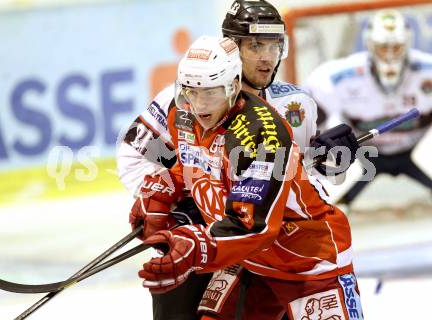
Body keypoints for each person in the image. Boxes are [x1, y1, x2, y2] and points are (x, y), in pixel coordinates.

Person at [117, 1, 359, 319]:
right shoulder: (186, 96)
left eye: (274, 46)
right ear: (232, 46)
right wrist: (179, 195)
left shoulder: (295, 103)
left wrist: (329, 160)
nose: (266, 57)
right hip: (214, 236)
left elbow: (297, 186)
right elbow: (140, 148)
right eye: (256, 45)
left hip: (269, 241)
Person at [304, 9, 432, 208]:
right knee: (325, 203)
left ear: (406, 45)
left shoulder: (427, 70)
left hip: (417, 149)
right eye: (383, 47)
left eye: (396, 47)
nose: (389, 55)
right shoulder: (338, 77)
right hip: (363, 151)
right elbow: (305, 125)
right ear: (369, 45)